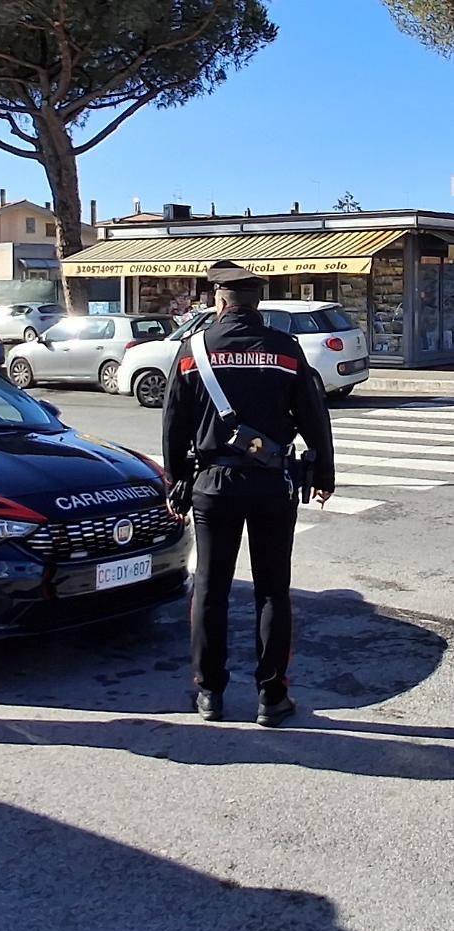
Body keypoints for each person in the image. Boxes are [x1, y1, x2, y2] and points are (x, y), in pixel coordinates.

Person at [162, 261, 335, 727]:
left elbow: (174, 425)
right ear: (257, 304)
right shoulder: (286, 349)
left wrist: (176, 483)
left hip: (213, 486)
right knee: (273, 591)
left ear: (219, 300)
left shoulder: (191, 351)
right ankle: (271, 697)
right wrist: (324, 474)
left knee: (210, 589)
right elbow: (314, 416)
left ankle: (209, 695)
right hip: (271, 485)